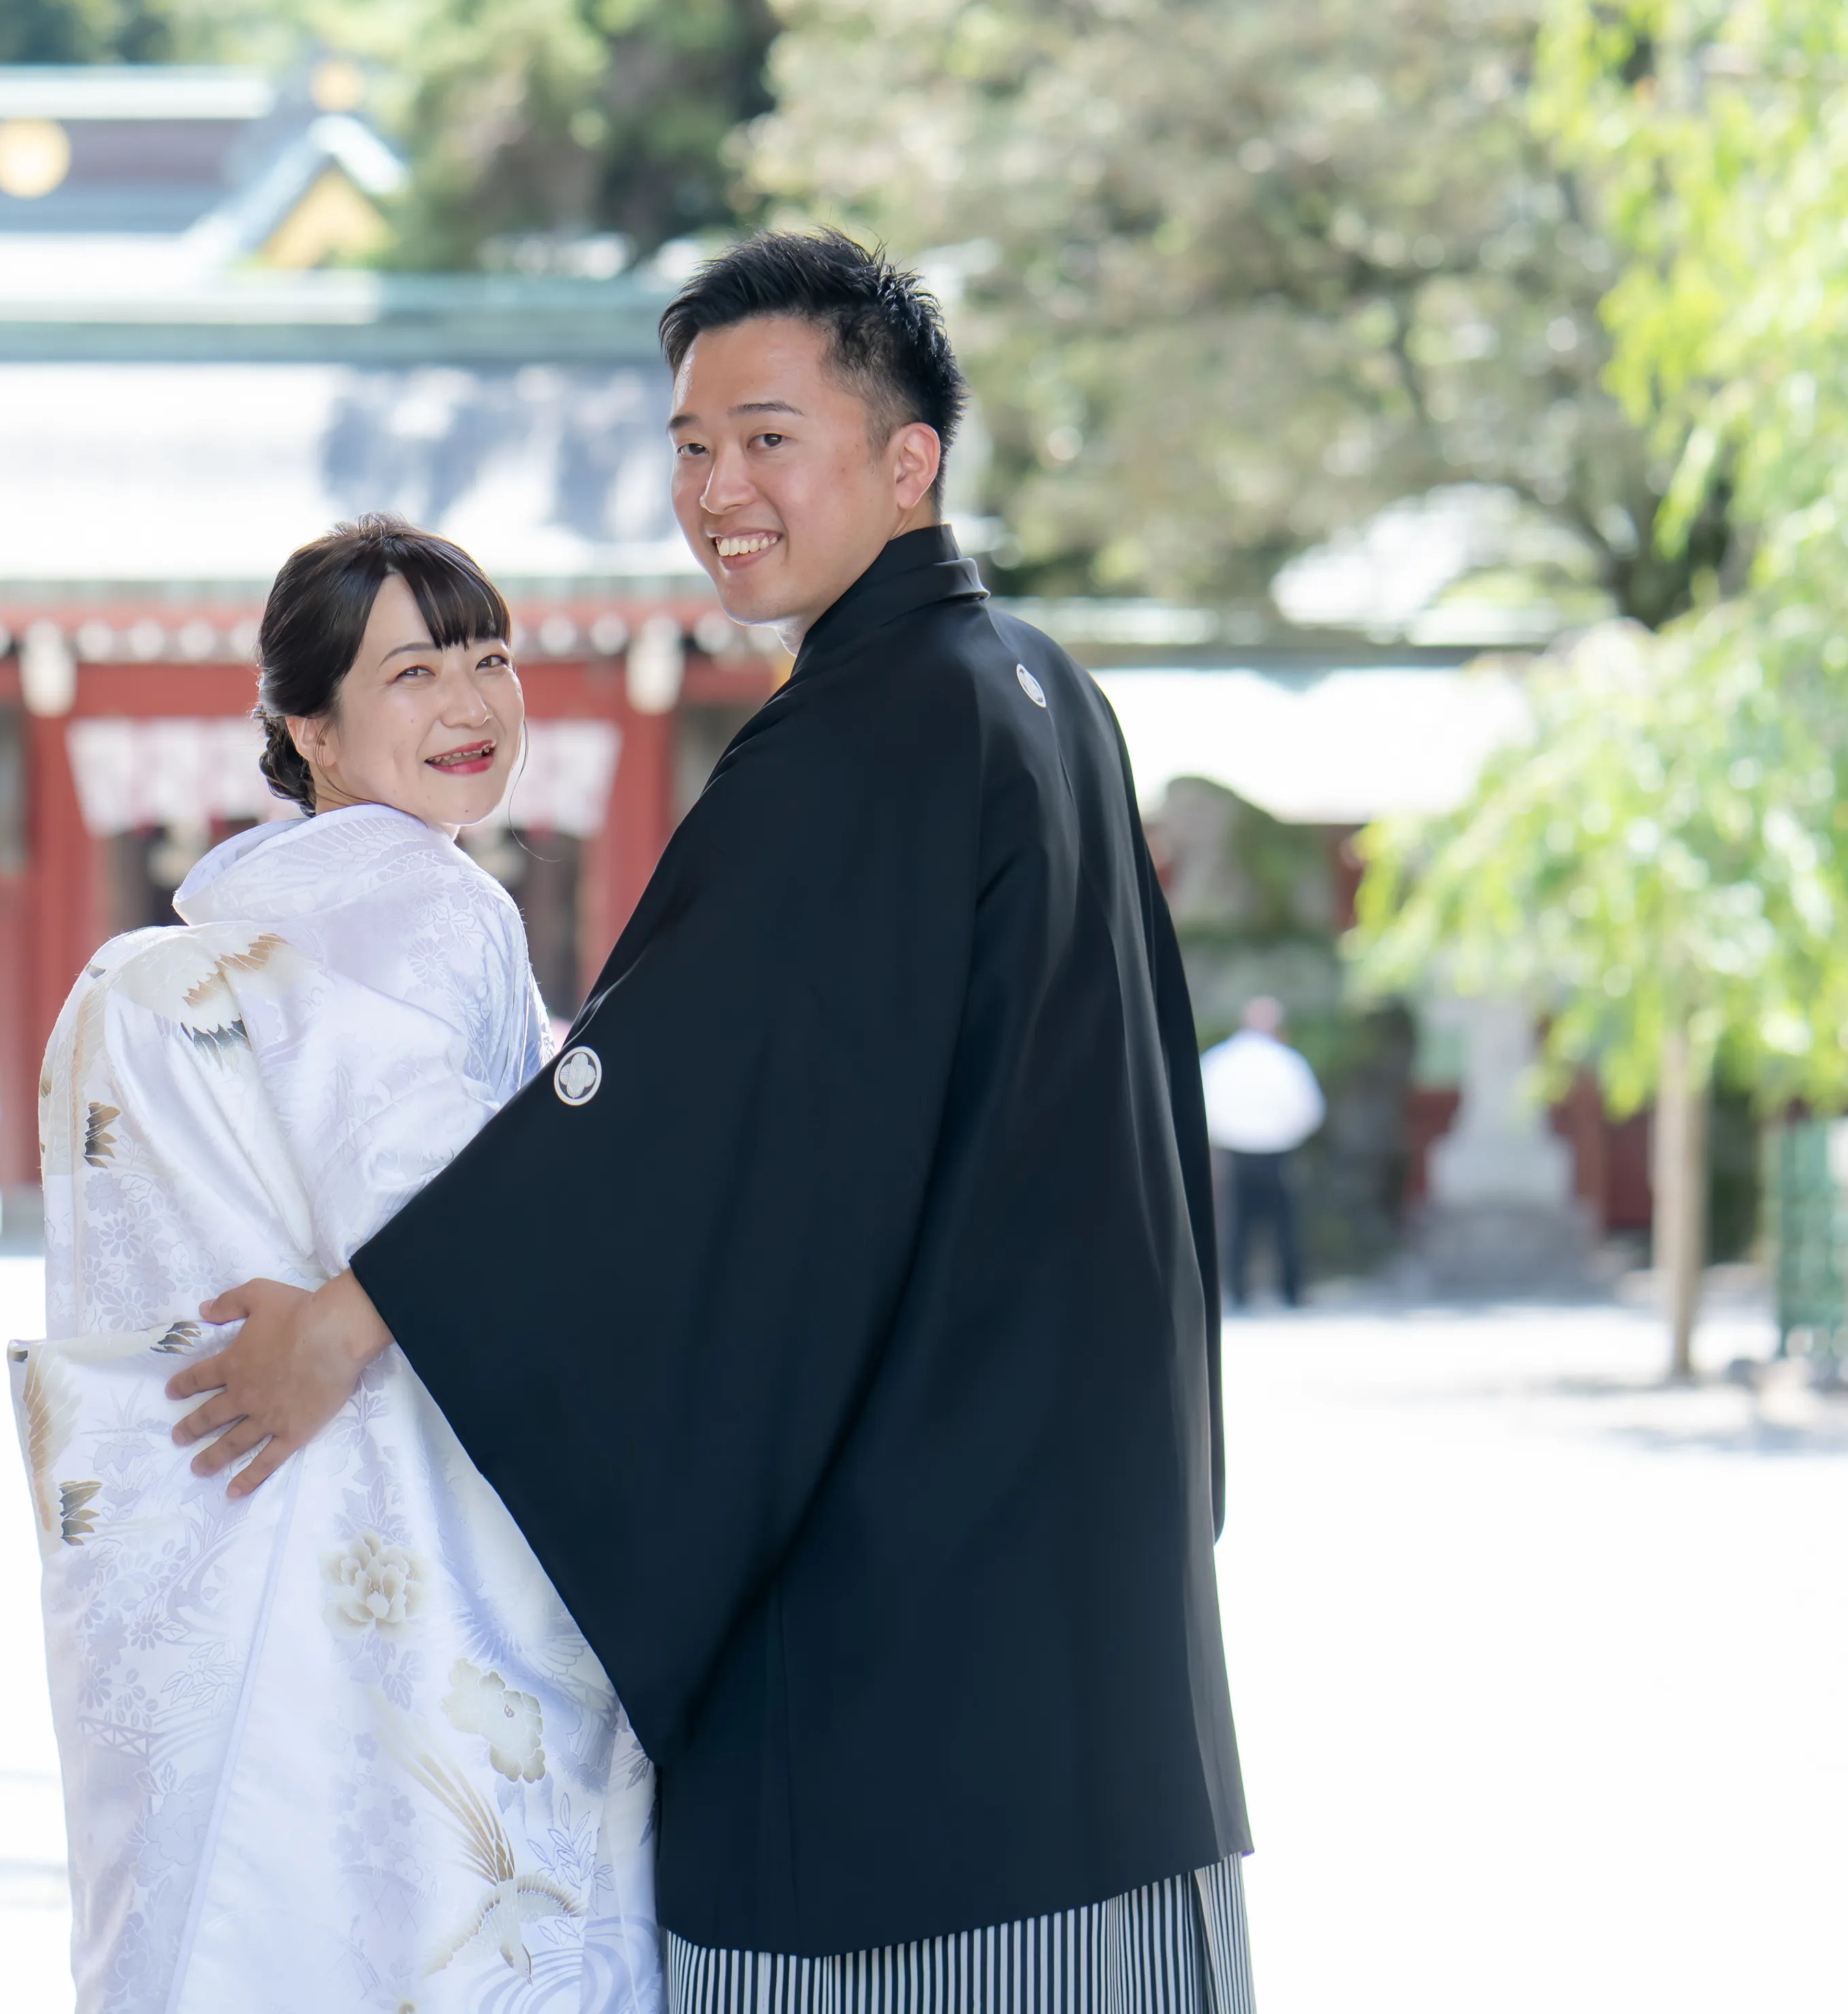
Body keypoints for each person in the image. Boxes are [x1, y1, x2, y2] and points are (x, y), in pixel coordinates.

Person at [166, 231, 1253, 2011]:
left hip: (915, 1699)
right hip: (1091, 1634)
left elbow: (666, 1107)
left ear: (908, 460)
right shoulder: (1043, 689)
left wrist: (351, 1322)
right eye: (689, 447)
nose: (716, 490)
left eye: (768, 439)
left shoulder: (866, 732)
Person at [13, 519, 662, 2013]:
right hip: (423, 1490)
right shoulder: (439, 907)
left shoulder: (235, 914)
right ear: (309, 728)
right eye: (414, 673)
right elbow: (468, 1224)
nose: (473, 704)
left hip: (254, 1498)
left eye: (492, 659)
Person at [1199, 997, 1324, 1309]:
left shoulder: (1221, 1059)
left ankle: (1238, 1292)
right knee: (1282, 1225)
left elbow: (1202, 1107)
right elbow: (1309, 1111)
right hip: (1274, 1151)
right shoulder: (1287, 1061)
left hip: (1235, 1150)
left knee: (1236, 1224)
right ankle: (1290, 1292)